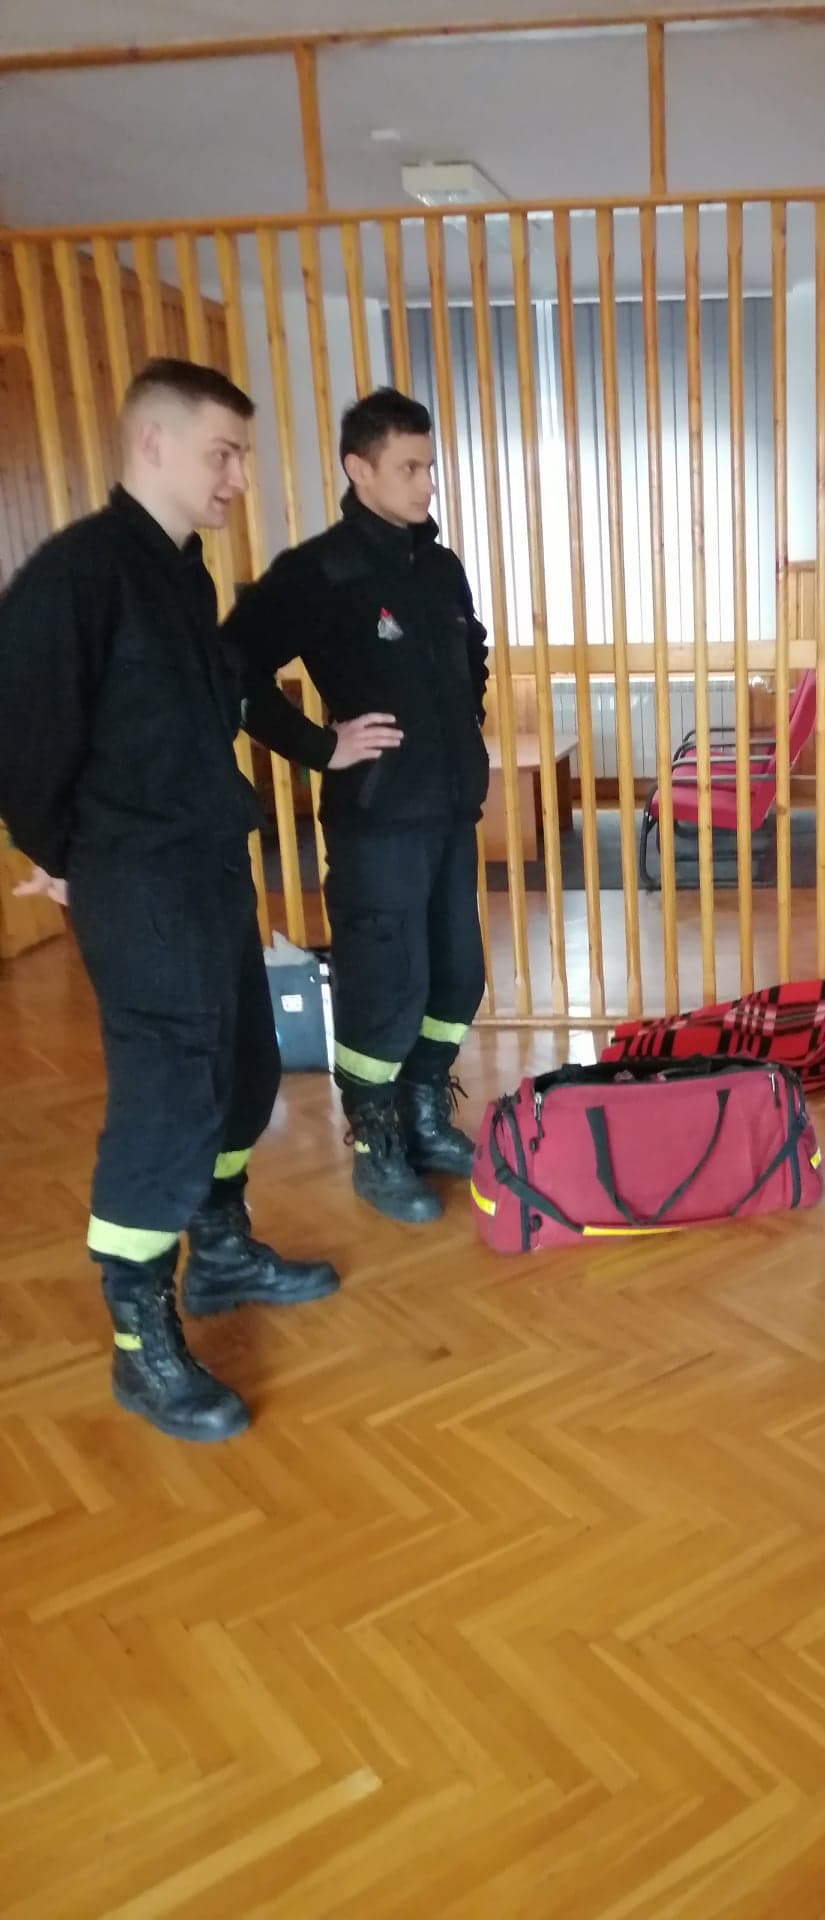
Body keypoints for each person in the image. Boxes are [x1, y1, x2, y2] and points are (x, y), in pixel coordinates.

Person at [0, 359, 340, 1445]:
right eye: (222, 453)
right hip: (136, 880)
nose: (238, 475)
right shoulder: (77, 576)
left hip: (206, 867)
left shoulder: (183, 575)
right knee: (169, 1098)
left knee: (243, 1070)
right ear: (153, 444)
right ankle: (139, 1343)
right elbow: (22, 741)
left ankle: (222, 1253)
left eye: (242, 454)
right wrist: (63, 856)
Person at [224, 389, 489, 1224]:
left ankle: (423, 1119)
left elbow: (471, 651)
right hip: (377, 826)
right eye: (409, 468)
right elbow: (230, 668)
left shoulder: (439, 567)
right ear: (358, 469)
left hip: (451, 813)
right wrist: (319, 744)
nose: (427, 483)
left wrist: (467, 717)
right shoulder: (318, 572)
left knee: (457, 977)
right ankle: (377, 1150)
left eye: (429, 466)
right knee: (386, 988)